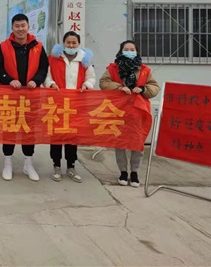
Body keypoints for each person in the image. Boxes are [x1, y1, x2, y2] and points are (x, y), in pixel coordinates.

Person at [0, 13, 49, 182]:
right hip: (9, 96)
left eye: (23, 25)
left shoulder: (38, 46)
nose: (20, 29)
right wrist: (9, 80)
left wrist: (36, 80)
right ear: (12, 28)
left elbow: (43, 68)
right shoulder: (4, 46)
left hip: (31, 96)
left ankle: (28, 163)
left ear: (28, 27)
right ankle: (8, 162)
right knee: (9, 129)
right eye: (17, 26)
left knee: (29, 129)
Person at [99, 40, 160, 188]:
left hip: (139, 111)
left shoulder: (145, 70)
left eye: (132, 49)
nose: (130, 52)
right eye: (126, 49)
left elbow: (154, 87)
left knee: (137, 141)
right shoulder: (113, 68)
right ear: (121, 51)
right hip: (119, 110)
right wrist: (119, 87)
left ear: (137, 51)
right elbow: (103, 83)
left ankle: (134, 172)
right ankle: (123, 171)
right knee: (120, 141)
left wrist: (143, 89)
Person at [45, 31, 96, 183]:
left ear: (79, 44)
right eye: (68, 42)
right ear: (63, 43)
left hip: (75, 104)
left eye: (74, 43)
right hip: (57, 103)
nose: (71, 45)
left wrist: (87, 85)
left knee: (72, 136)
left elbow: (91, 77)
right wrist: (50, 84)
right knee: (56, 135)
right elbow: (47, 76)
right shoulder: (54, 59)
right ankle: (56, 165)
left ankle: (71, 166)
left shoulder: (85, 60)